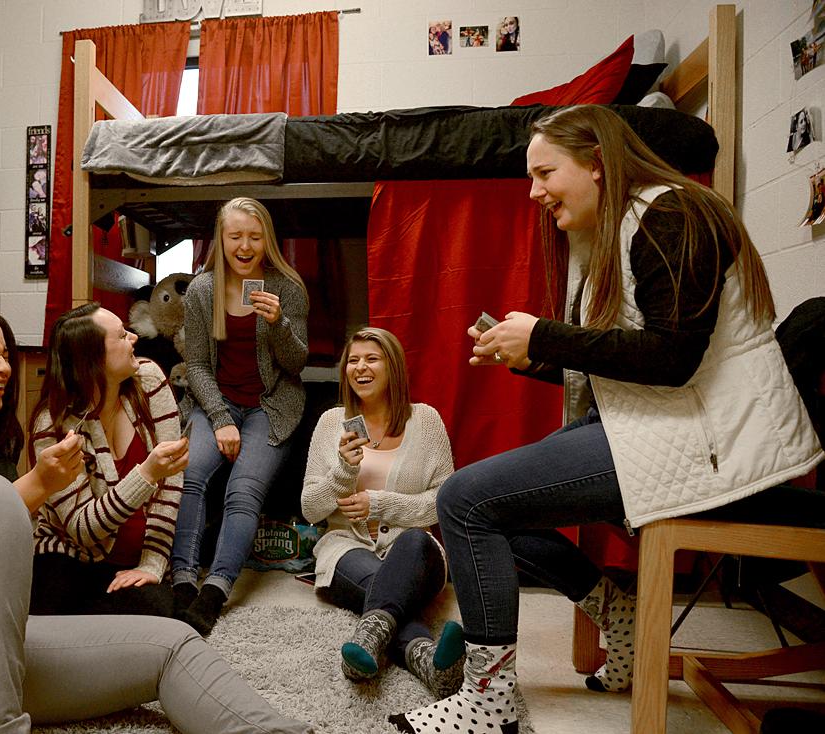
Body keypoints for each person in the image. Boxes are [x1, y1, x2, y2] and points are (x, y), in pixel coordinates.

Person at [390, 105, 823, 734]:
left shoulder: (671, 215)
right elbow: (621, 361)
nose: (535, 192)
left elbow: (673, 359)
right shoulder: (620, 228)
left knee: (463, 499)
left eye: (544, 173)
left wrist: (545, 338)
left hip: (703, 440)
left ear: (596, 163)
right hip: (661, 425)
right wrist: (527, 355)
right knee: (493, 512)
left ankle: (489, 705)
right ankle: (617, 617)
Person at [0, 301, 314, 734]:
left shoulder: (2, 444)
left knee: (172, 643)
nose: (6, 368)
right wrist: (39, 486)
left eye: (7, 355)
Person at [171, 196, 309, 635]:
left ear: (266, 239)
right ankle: (181, 581)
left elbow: (296, 365)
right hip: (218, 402)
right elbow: (194, 366)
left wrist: (279, 323)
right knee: (189, 474)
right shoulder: (202, 290)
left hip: (272, 404)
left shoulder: (287, 288)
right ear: (222, 239)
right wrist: (219, 417)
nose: (245, 246)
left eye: (254, 236)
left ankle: (216, 588)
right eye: (236, 237)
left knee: (243, 489)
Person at [301, 327, 464, 699]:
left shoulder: (425, 420)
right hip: (346, 546)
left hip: (416, 549)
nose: (360, 367)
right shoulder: (330, 423)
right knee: (382, 584)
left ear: (393, 367)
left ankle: (367, 640)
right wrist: (343, 472)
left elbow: (444, 500)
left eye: (371, 359)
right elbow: (311, 508)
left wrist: (381, 504)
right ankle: (426, 659)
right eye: (353, 360)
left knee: (411, 541)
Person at [29, 303, 184, 617]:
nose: (134, 338)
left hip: (136, 556)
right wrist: (147, 472)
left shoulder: (150, 380)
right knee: (50, 619)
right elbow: (83, 529)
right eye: (121, 336)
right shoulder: (54, 425)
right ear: (93, 360)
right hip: (69, 555)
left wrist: (152, 564)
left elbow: (171, 486)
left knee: (162, 617)